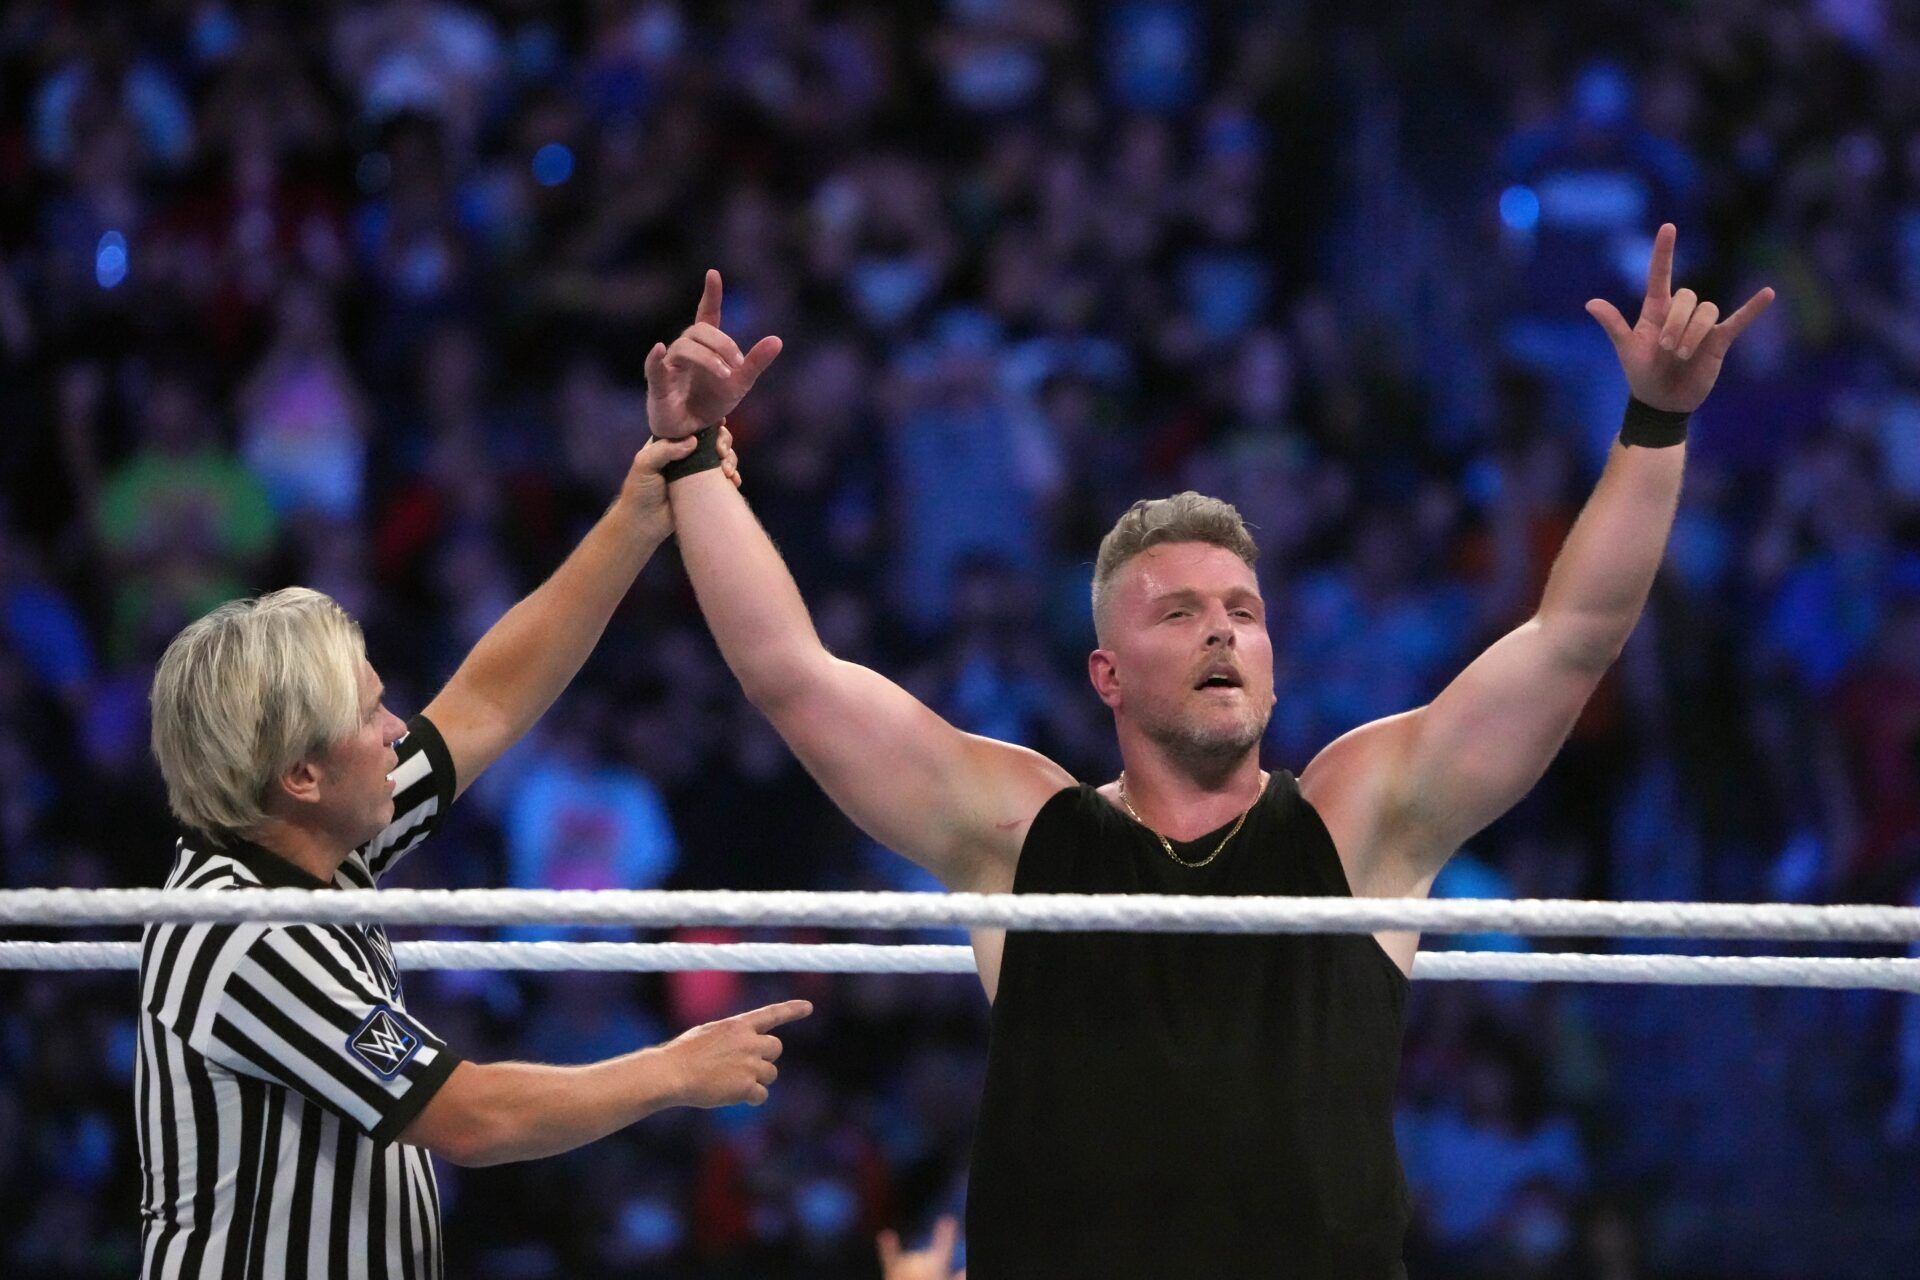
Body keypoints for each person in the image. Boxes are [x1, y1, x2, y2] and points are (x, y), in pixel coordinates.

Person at [643, 225, 1771, 1278]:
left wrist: (1656, 425)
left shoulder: (1363, 816)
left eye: (1242, 607)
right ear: (1108, 675)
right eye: (1178, 612)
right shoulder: (1021, 832)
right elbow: (792, 673)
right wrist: (692, 454)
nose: (1224, 627)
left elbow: (1570, 640)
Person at [135, 430, 811, 1279]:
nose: (395, 733)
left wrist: (639, 513)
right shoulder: (244, 935)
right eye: (372, 717)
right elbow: (468, 1117)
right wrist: (671, 1072)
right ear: (302, 775)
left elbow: (489, 699)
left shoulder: (311, 837)